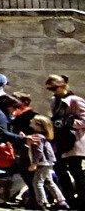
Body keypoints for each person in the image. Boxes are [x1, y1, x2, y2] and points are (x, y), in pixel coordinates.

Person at [46, 76, 85, 208]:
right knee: (60, 170)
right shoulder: (53, 101)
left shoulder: (75, 100)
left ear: (62, 86)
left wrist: (70, 122)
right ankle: (68, 199)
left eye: (55, 88)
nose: (53, 91)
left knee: (76, 171)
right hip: (59, 141)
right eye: (50, 89)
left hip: (74, 141)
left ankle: (82, 199)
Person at [27, 116, 69, 210]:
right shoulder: (43, 137)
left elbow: (39, 151)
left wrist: (34, 163)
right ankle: (61, 201)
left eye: (33, 120)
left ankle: (42, 203)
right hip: (48, 162)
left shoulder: (37, 137)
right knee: (49, 182)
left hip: (43, 163)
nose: (30, 120)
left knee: (37, 182)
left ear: (38, 125)